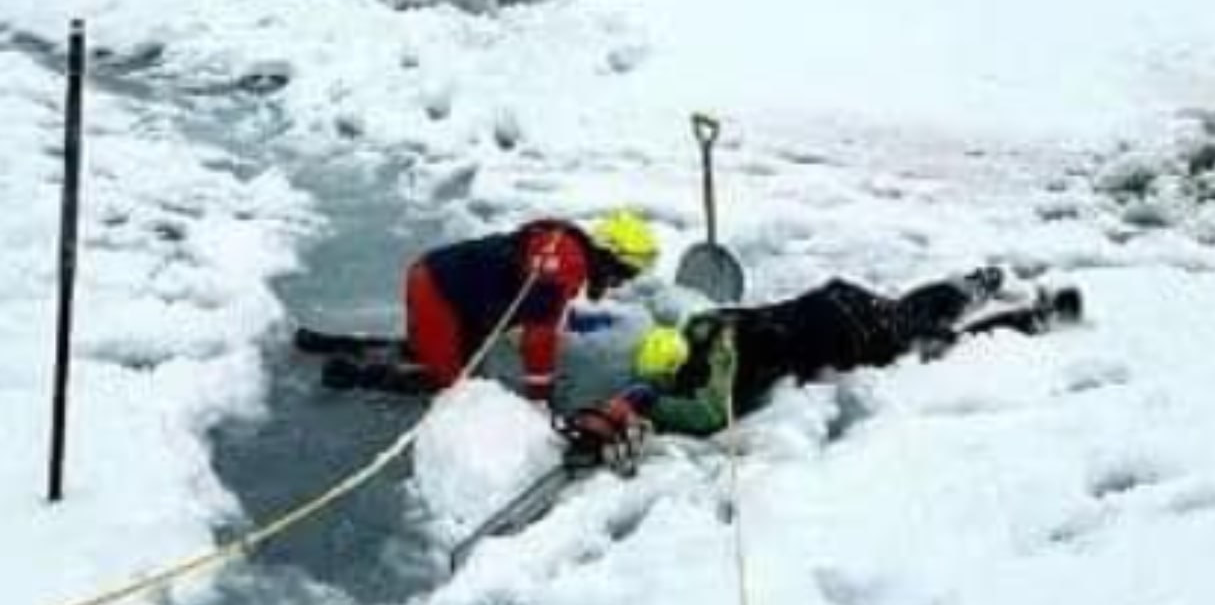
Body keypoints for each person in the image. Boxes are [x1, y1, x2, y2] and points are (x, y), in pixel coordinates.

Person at [562, 268, 1083, 454]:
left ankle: (1034, 318)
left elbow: (707, 413)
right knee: (907, 310)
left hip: (850, 334)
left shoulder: (721, 354)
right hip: (833, 301)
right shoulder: (714, 320)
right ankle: (973, 283)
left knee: (942, 343)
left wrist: (652, 405)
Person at [319, 210, 660, 399]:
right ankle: (352, 375)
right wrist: (540, 394)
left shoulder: (568, 246)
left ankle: (332, 344)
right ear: (611, 255)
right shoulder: (565, 263)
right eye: (627, 271)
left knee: (446, 354)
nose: (624, 281)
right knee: (449, 382)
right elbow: (538, 337)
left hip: (451, 287)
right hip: (438, 292)